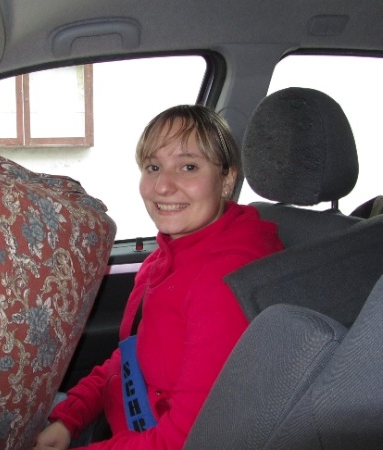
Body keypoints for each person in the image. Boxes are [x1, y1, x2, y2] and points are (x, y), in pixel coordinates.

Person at [34, 105, 284, 449]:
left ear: (227, 180)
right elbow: (131, 356)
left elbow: (187, 440)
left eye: (189, 166)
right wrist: (69, 417)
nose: (162, 187)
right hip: (120, 426)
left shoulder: (223, 283)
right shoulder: (164, 256)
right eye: (153, 167)